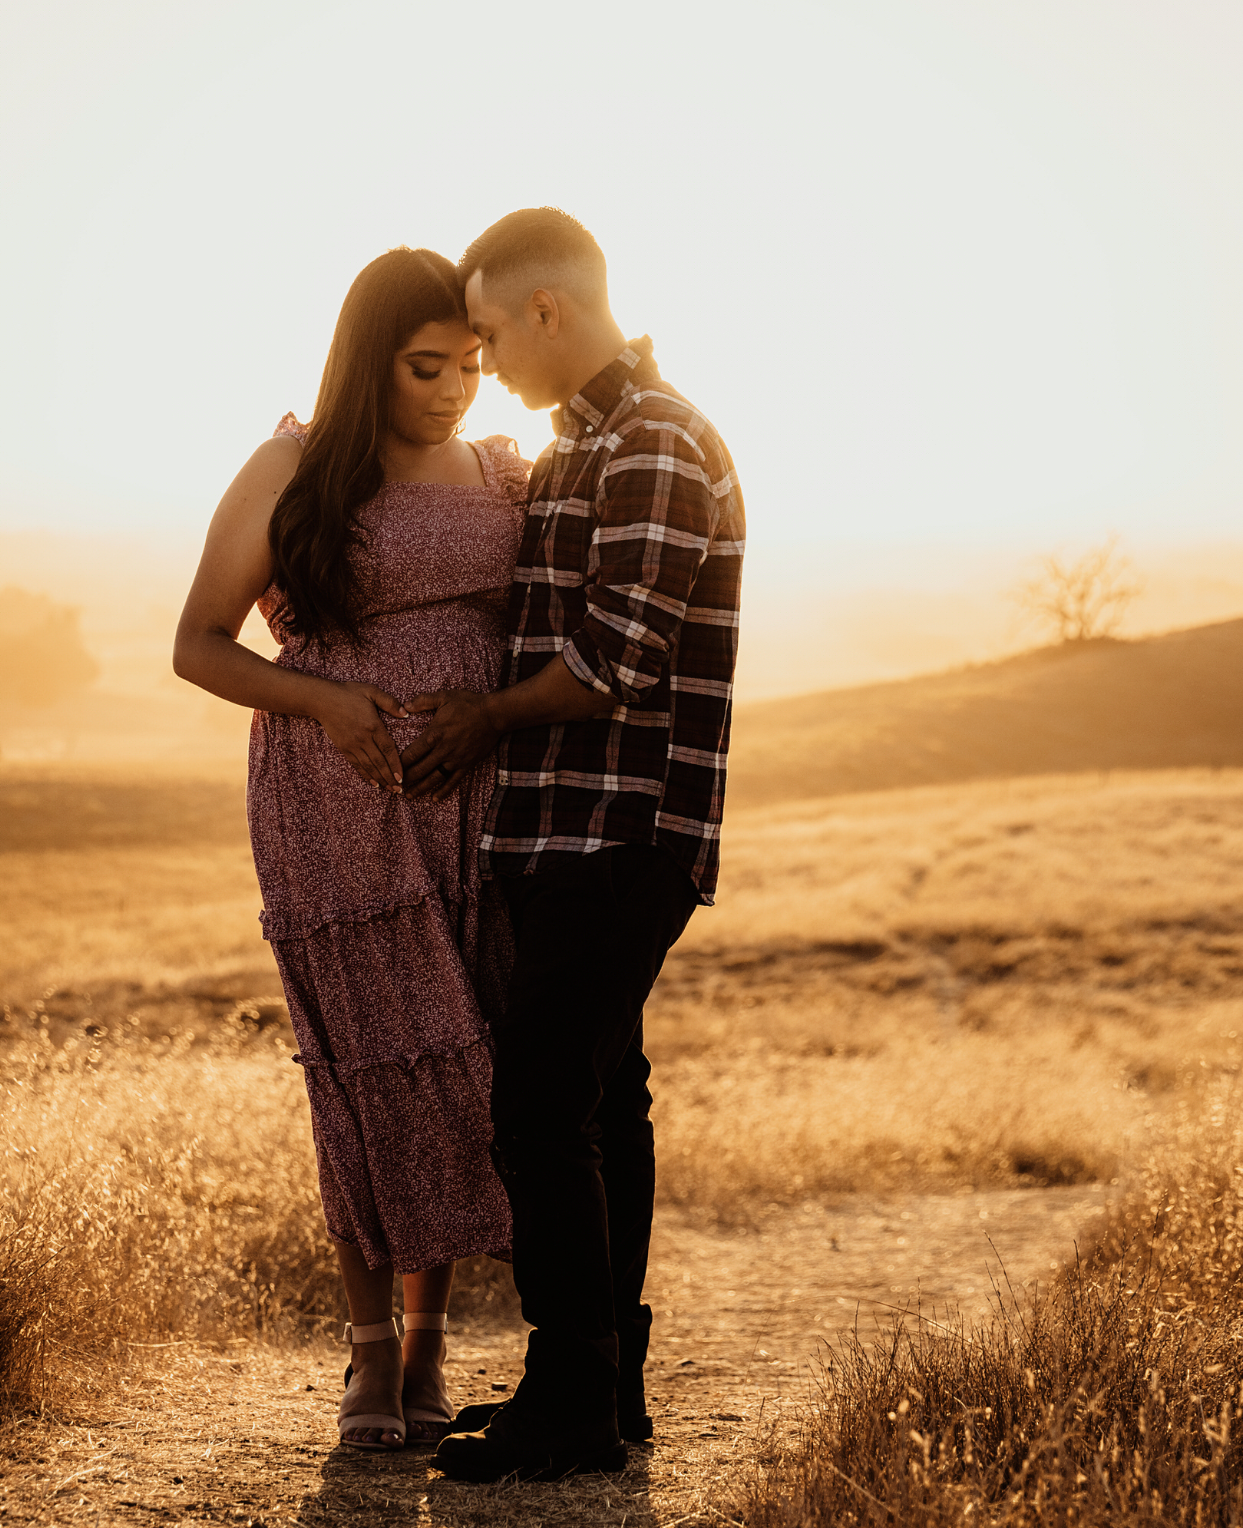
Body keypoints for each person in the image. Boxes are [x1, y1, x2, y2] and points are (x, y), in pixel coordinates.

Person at [396, 208, 746, 1482]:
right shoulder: (575, 446)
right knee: (602, 1100)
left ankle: (573, 1392)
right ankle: (603, 1389)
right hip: (561, 829)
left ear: (549, 310)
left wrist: (479, 716)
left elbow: (612, 660)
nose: (482, 359)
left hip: (626, 825)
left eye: (489, 331)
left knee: (538, 1103)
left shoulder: (653, 443)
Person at [172, 246, 530, 1452]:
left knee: (458, 1068)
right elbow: (199, 645)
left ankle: (431, 1350)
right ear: (367, 355)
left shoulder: (498, 471)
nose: (457, 390)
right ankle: (367, 1357)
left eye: (474, 365)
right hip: (330, 806)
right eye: (429, 366)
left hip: (473, 804)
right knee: (364, 1067)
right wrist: (328, 705)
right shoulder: (292, 467)